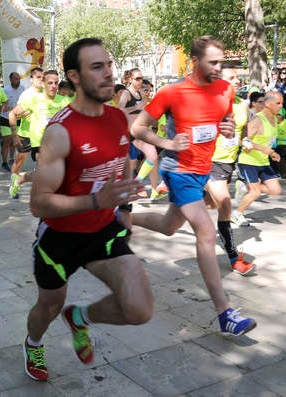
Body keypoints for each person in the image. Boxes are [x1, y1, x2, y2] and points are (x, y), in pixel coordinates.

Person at [23, 39, 150, 382]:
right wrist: (98, 200)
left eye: (108, 64)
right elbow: (38, 203)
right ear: (74, 77)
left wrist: (123, 205)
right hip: (59, 239)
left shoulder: (116, 118)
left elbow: (121, 164)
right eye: (97, 67)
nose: (108, 73)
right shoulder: (61, 131)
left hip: (103, 231)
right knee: (47, 307)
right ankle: (33, 343)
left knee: (139, 309)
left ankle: (80, 317)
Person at [131, 35, 257, 337]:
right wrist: (167, 142)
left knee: (168, 226)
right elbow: (137, 127)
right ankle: (224, 313)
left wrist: (227, 127)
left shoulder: (225, 90)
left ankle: (121, 218)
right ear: (195, 61)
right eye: (212, 62)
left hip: (205, 168)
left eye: (221, 62)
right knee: (205, 230)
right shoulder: (172, 92)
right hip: (179, 170)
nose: (218, 68)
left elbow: (225, 120)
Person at [203, 67, 255, 275]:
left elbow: (244, 129)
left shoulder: (242, 104)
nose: (237, 80)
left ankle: (177, 190)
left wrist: (247, 140)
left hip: (228, 162)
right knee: (225, 205)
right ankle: (234, 258)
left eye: (237, 77)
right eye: (231, 78)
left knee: (204, 205)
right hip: (209, 161)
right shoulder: (209, 104)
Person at [8, 70, 70, 196]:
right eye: (50, 83)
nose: (53, 86)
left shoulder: (64, 101)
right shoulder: (34, 99)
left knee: (48, 173)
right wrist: (14, 135)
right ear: (44, 83)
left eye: (56, 83)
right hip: (39, 142)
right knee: (47, 172)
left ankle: (21, 178)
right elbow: (12, 114)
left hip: (58, 143)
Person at [232, 91, 284, 226]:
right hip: (249, 161)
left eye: (282, 103)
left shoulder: (275, 120)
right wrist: (265, 149)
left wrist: (272, 153)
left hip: (263, 161)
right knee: (255, 193)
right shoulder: (258, 120)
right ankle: (237, 214)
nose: (281, 106)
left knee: (275, 190)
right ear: (268, 103)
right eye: (278, 103)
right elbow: (243, 141)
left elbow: (268, 141)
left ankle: (245, 187)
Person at [118, 68, 162, 198]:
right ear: (130, 79)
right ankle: (136, 184)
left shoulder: (141, 92)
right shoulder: (126, 94)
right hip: (133, 131)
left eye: (141, 78)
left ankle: (153, 191)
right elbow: (120, 110)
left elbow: (147, 106)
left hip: (143, 129)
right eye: (137, 78)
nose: (140, 81)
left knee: (152, 158)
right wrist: (137, 107)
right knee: (152, 156)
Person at [8, 67, 44, 198]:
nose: (41, 80)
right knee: (19, 163)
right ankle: (14, 182)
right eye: (38, 77)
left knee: (43, 168)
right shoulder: (26, 95)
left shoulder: (47, 93)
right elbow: (15, 114)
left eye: (42, 77)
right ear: (31, 79)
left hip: (40, 136)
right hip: (25, 134)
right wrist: (15, 134)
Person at [0, 71, 24, 172]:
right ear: (10, 80)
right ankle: (4, 162)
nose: (17, 81)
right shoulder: (5, 90)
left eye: (18, 79)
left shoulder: (22, 88)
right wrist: (4, 107)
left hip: (18, 118)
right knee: (7, 141)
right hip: (6, 118)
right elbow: (1, 104)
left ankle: (11, 158)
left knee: (14, 141)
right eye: (15, 79)